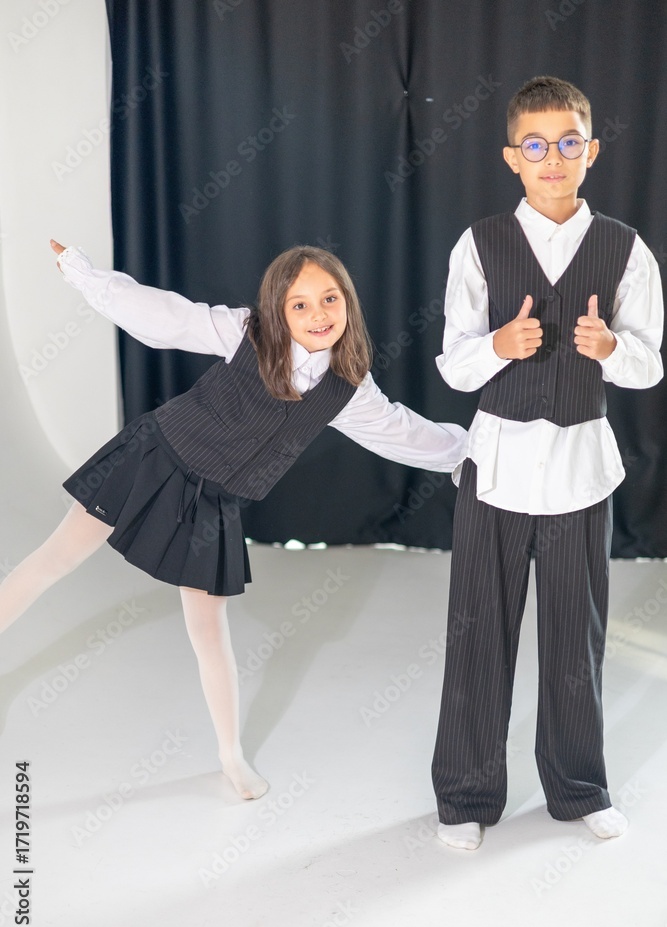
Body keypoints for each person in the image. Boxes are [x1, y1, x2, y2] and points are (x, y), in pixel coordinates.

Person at [0, 239, 466, 801]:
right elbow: (165, 317)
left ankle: (229, 755)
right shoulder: (244, 332)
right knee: (52, 560)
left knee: (208, 629)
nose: (318, 315)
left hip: (214, 500)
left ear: (349, 303)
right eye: (300, 304)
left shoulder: (349, 389)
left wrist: (462, 452)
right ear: (276, 309)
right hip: (156, 459)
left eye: (329, 299)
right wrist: (89, 279)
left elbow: (401, 431)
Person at [431, 76, 663, 850]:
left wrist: (611, 350)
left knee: (574, 639)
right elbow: (453, 365)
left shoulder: (625, 250)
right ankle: (465, 796)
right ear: (511, 157)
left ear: (590, 151)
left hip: (579, 475)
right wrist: (497, 345)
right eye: (535, 145)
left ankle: (577, 786)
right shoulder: (480, 244)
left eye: (567, 142)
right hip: (493, 470)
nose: (552, 158)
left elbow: (649, 364)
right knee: (477, 636)